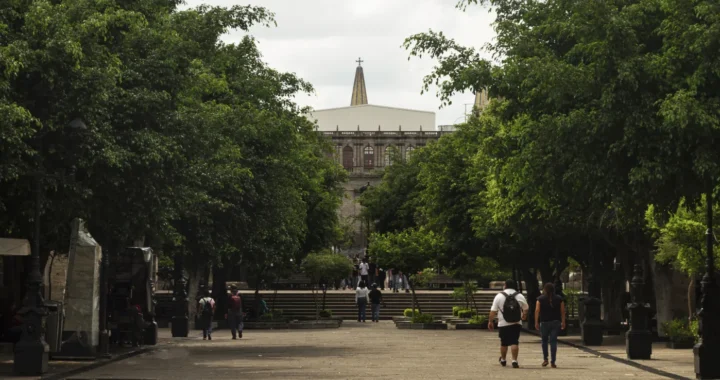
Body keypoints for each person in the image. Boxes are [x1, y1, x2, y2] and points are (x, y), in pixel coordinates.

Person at [488, 279, 529, 368]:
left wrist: (490, 321)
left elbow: (493, 311)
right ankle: (514, 360)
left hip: (503, 323)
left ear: (505, 285)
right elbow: (526, 308)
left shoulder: (499, 296)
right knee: (514, 341)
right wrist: (524, 316)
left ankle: (503, 359)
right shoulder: (519, 296)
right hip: (516, 322)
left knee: (504, 343)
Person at [535, 283, 566, 368]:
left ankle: (545, 359)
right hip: (556, 322)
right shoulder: (559, 299)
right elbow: (562, 311)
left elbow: (537, 310)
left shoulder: (540, 299)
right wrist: (563, 321)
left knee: (544, 341)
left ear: (544, 289)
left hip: (544, 322)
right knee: (553, 341)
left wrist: (536, 322)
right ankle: (553, 361)